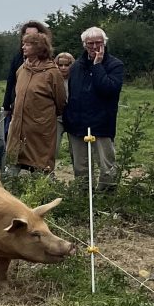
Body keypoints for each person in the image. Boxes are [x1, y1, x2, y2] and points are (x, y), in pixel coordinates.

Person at [64, 27, 124, 192]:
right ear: (84, 45)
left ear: (104, 43)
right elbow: (72, 93)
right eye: (90, 43)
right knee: (81, 167)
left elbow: (109, 89)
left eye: (99, 43)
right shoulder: (76, 66)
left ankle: (106, 195)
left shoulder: (115, 65)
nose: (95, 47)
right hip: (77, 124)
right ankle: (83, 198)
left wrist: (97, 66)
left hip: (102, 124)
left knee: (107, 166)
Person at [4, 32, 66, 174]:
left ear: (39, 48)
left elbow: (60, 101)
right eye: (23, 43)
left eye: (28, 44)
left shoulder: (52, 73)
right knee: (14, 161)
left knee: (40, 165)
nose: (23, 47)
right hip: (19, 126)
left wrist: (42, 116)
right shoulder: (22, 69)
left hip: (40, 128)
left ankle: (42, 193)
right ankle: (11, 191)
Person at [1, 21, 52, 142]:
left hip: (38, 110)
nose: (29, 37)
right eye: (26, 34)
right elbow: (11, 82)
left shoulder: (49, 63)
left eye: (34, 35)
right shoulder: (18, 58)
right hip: (17, 104)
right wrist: (6, 105)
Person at [54, 52, 74, 159]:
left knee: (76, 150)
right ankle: (48, 174)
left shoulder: (76, 79)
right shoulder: (52, 79)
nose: (63, 68)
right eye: (60, 65)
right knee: (53, 147)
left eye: (66, 65)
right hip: (57, 117)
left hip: (73, 117)